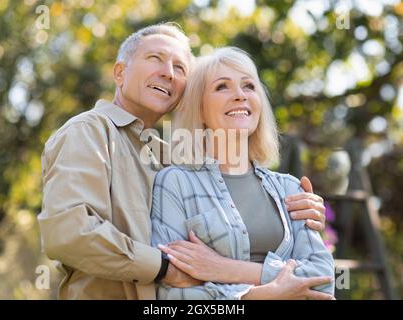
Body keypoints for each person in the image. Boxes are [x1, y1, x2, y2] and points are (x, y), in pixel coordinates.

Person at [38, 23, 328, 300]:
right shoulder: (89, 132)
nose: (168, 73)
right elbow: (68, 234)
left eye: (179, 68)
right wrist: (164, 267)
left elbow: (319, 276)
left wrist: (302, 213)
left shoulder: (171, 157)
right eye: (156, 58)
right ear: (119, 72)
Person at [151, 47, 335, 300]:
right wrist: (260, 295)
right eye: (222, 87)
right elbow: (171, 295)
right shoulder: (175, 183)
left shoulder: (290, 189)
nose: (240, 95)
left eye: (249, 86)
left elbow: (323, 281)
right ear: (200, 110)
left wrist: (224, 269)